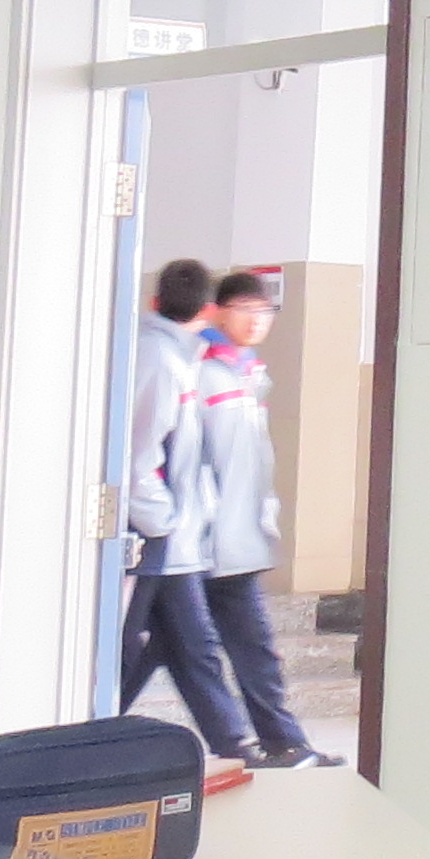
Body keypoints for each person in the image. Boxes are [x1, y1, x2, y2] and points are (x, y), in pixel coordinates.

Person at [194, 270, 339, 769]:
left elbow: (256, 459)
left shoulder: (249, 373)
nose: (256, 321)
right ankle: (272, 742)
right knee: (230, 649)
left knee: (203, 650)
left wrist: (265, 515)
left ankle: (273, 742)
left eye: (265, 312)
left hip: (236, 540)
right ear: (219, 312)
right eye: (245, 310)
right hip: (205, 541)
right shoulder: (204, 371)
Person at [121, 256, 252, 757]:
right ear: (210, 309)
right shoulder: (162, 359)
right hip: (158, 530)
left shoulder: (181, 355)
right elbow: (142, 450)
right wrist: (161, 519)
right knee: (169, 642)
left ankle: (233, 739)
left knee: (174, 643)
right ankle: (234, 740)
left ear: (155, 301)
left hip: (176, 532)